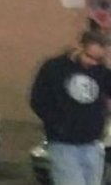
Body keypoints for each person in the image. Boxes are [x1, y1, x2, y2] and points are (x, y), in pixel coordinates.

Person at [31, 30, 111, 185]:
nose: (93, 63)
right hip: (63, 143)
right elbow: (38, 99)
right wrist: (57, 124)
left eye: (98, 59)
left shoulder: (101, 71)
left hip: (92, 142)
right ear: (79, 47)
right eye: (89, 56)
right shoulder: (55, 68)